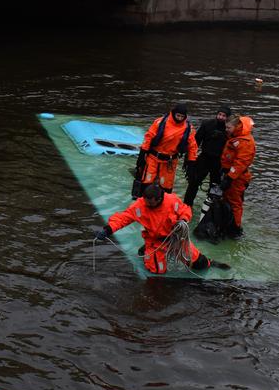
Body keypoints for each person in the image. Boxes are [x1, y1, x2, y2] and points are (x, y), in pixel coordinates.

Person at [94, 184, 228, 274]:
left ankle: (211, 262)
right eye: (145, 201)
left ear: (159, 199)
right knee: (157, 271)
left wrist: (183, 220)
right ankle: (146, 249)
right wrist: (108, 229)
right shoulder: (139, 205)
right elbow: (124, 218)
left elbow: (185, 209)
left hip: (176, 238)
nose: (147, 204)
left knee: (199, 264)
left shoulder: (172, 201)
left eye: (150, 202)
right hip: (155, 241)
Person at [134, 102, 198, 196]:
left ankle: (164, 205)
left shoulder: (188, 129)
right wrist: (141, 156)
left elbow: (193, 147)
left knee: (166, 187)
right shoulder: (160, 122)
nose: (179, 118)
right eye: (178, 115)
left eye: (182, 116)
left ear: (185, 117)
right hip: (153, 157)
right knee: (146, 182)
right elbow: (148, 138)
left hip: (170, 161)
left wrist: (191, 164)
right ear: (173, 113)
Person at [182, 105, 231, 207]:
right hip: (205, 157)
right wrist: (190, 161)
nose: (221, 117)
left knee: (215, 187)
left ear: (227, 118)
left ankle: (210, 209)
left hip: (219, 162)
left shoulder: (229, 130)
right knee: (193, 183)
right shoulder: (207, 124)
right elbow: (195, 142)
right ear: (216, 114)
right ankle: (186, 205)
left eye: (224, 116)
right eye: (219, 114)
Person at [219, 112, 256, 232]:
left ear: (236, 127)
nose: (226, 130)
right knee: (227, 199)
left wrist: (229, 178)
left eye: (228, 127)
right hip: (231, 174)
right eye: (226, 127)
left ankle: (235, 228)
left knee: (235, 203)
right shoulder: (236, 137)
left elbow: (241, 162)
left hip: (237, 178)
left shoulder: (245, 142)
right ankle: (227, 223)